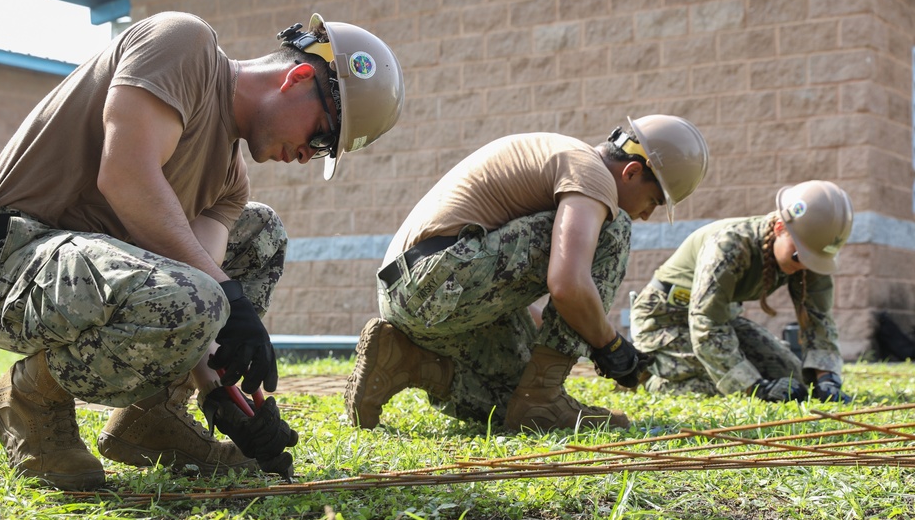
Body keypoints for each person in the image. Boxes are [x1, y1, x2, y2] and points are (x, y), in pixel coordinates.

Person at [0, 12, 404, 490]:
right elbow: (125, 174)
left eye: (326, 152)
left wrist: (222, 394)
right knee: (208, 295)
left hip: (85, 279)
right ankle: (28, 398)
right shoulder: (184, 44)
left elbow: (195, 286)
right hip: (9, 264)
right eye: (322, 136)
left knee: (258, 232)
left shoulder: (229, 185)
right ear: (300, 77)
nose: (311, 155)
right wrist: (229, 298)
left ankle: (153, 417)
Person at [344, 116, 709, 432]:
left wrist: (541, 342)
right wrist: (609, 344)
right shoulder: (592, 175)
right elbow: (567, 284)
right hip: (436, 279)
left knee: (517, 402)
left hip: (414, 293)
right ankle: (546, 397)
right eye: (653, 202)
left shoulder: (568, 160)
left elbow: (512, 290)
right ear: (631, 172)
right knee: (615, 230)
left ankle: (403, 361)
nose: (647, 214)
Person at [629, 180, 854, 403]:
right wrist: (755, 388)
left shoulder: (808, 249)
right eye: (799, 256)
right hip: (663, 321)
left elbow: (819, 319)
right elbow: (706, 323)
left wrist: (827, 379)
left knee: (792, 377)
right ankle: (650, 376)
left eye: (814, 260)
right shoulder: (729, 245)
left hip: (721, 320)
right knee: (724, 382)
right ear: (779, 228)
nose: (805, 265)